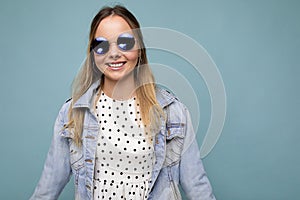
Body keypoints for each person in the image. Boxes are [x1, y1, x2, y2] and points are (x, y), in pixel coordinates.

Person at [30, 5, 216, 200]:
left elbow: (198, 188)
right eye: (101, 45)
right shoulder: (72, 113)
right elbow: (46, 190)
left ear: (140, 49)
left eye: (125, 43)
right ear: (93, 54)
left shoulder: (173, 113)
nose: (114, 54)